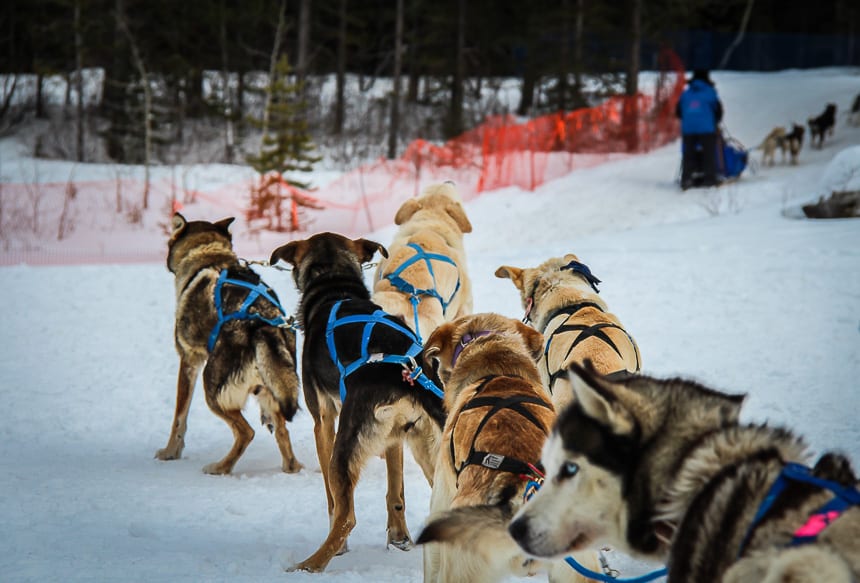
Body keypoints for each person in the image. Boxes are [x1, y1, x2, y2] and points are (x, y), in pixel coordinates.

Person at [675, 69, 723, 189]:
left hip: (688, 129)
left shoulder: (685, 94)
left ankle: (686, 179)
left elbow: (678, 112)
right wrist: (715, 122)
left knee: (688, 154)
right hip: (706, 128)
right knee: (709, 154)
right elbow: (718, 111)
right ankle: (709, 179)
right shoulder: (710, 92)